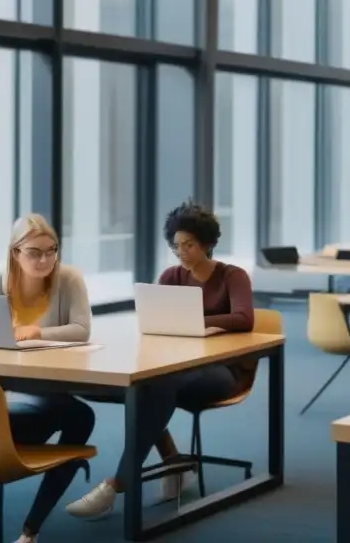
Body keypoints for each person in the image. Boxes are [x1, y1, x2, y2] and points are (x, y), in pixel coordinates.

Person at [67, 201, 255, 519]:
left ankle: (116, 485)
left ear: (207, 243)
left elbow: (244, 318)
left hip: (222, 371)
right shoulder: (171, 275)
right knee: (140, 387)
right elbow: (154, 318)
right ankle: (174, 463)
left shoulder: (232, 277)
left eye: (189, 245)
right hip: (173, 365)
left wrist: (201, 321)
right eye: (177, 245)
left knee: (155, 387)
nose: (181, 252)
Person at [0, 214, 95, 543]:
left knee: (80, 414)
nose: (44, 259)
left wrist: (38, 331)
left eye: (51, 250)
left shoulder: (69, 279)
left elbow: (82, 330)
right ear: (15, 252)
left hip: (50, 385)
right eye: (34, 252)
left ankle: (31, 529)